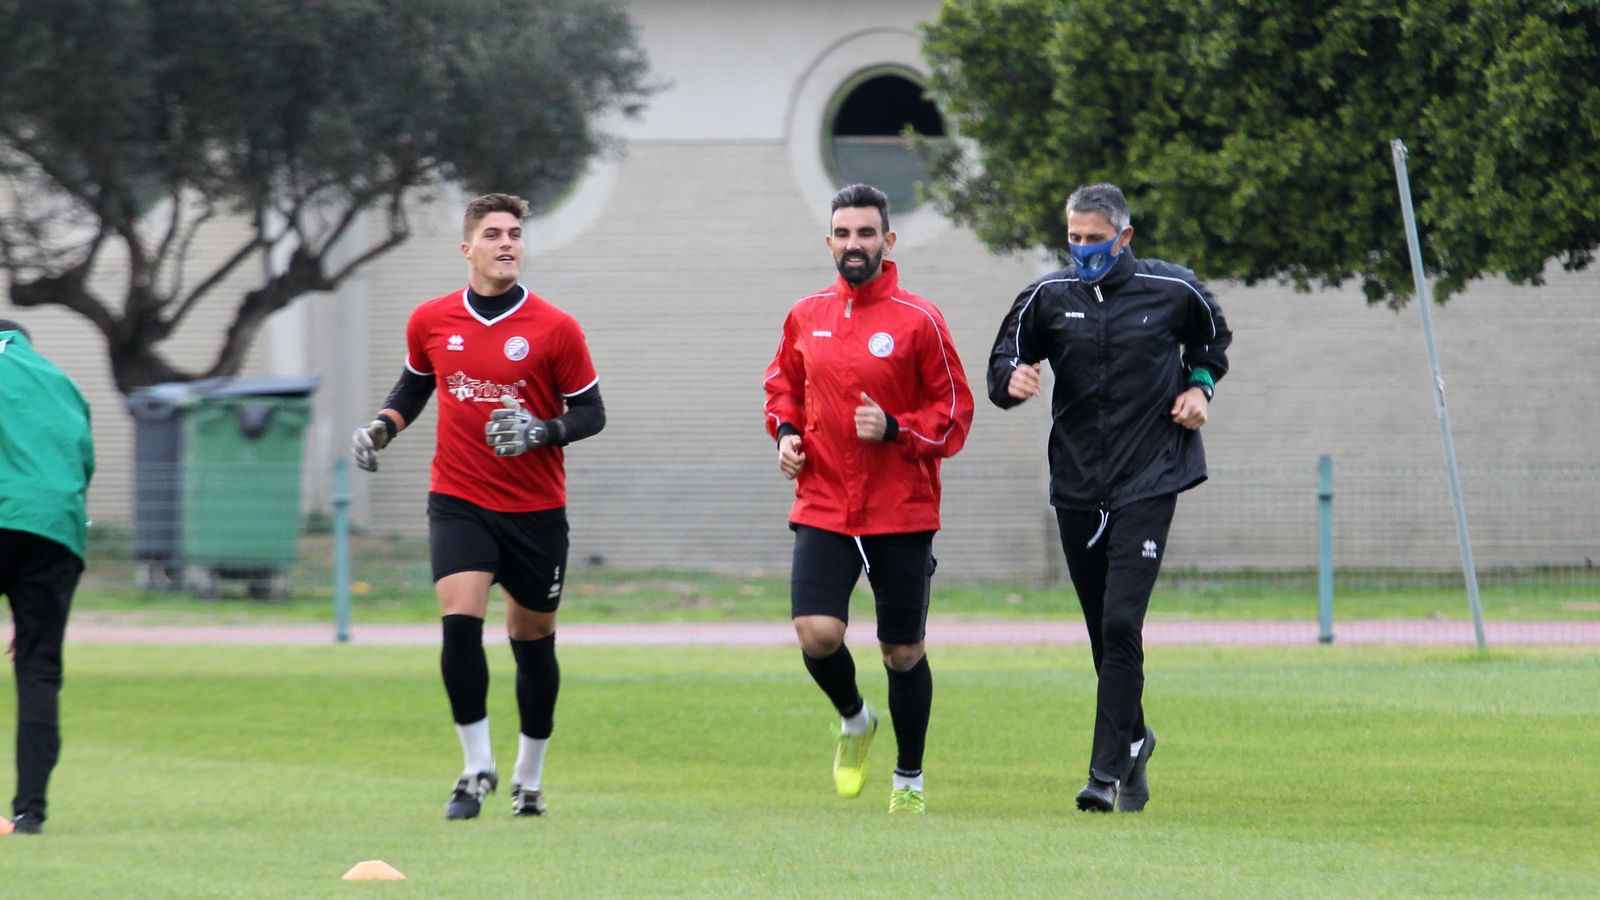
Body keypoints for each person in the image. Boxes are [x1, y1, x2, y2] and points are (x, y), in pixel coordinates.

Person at [350, 193, 605, 820]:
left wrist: (542, 431)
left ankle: (529, 776)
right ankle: (475, 768)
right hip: (460, 498)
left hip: (536, 509)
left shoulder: (556, 328)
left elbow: (592, 413)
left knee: (532, 637)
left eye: (516, 233)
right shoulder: (431, 319)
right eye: (493, 234)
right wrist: (383, 426)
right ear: (468, 248)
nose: (508, 243)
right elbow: (415, 382)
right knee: (460, 621)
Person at [987, 183, 1231, 813]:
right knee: (1103, 629)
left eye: (1095, 240)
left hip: (1151, 476)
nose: (1083, 250)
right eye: (1074, 238)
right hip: (1075, 483)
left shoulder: (1174, 290)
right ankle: (1136, 739)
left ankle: (1104, 774)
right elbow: (1002, 362)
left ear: (1124, 237)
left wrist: (1200, 389)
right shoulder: (1047, 297)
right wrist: (1012, 382)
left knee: (1123, 620)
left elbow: (1212, 345)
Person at [763, 183, 974, 815]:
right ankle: (855, 720)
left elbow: (955, 413)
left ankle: (908, 779)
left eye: (866, 233)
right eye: (844, 234)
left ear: (888, 239)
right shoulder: (805, 314)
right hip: (824, 503)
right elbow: (782, 388)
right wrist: (788, 435)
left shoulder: (920, 319)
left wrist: (897, 429)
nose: (854, 244)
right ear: (829, 241)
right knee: (816, 633)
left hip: (900, 510)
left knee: (901, 651)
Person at [0, 320, 95, 836]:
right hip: (53, 532)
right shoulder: (60, 381)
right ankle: (28, 814)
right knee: (38, 671)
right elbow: (82, 466)